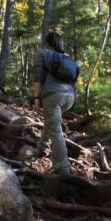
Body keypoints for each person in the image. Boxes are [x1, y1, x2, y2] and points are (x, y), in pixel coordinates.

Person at [33, 31, 77, 175]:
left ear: (47, 43)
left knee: (55, 130)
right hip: (69, 97)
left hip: (53, 95)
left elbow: (38, 77)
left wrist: (36, 98)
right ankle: (43, 147)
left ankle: (62, 168)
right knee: (52, 123)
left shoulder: (43, 53)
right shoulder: (67, 58)